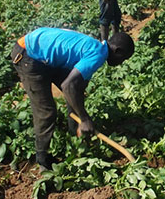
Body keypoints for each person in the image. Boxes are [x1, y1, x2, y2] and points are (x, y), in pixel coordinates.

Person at [10, 27, 135, 171]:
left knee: (76, 90)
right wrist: (85, 119)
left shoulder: (95, 46)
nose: (121, 63)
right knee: (46, 111)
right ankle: (42, 159)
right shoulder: (98, 54)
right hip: (28, 55)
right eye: (123, 59)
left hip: (42, 53)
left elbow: (76, 87)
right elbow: (68, 85)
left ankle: (75, 135)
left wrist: (81, 117)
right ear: (117, 51)